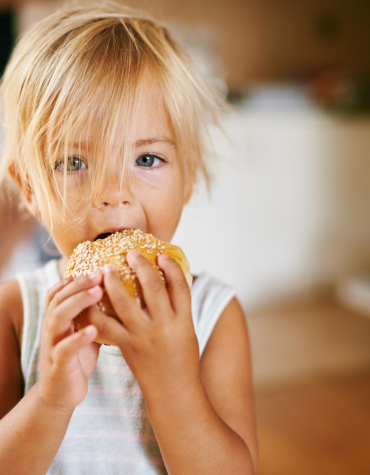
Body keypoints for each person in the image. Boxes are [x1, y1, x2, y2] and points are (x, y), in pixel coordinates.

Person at [0, 2, 257, 474]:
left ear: (190, 174)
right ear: (30, 189)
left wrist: (172, 381)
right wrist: (51, 400)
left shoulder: (213, 314)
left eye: (146, 159)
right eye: (73, 163)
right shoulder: (17, 310)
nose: (114, 194)